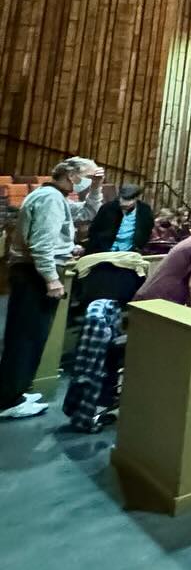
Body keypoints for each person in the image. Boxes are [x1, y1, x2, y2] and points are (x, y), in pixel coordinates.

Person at [0, 157, 105, 420]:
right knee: (26, 339)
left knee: (30, 337)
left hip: (34, 273)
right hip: (33, 275)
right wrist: (51, 278)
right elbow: (41, 244)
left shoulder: (55, 197)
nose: (89, 182)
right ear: (72, 176)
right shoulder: (49, 199)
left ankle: (16, 390)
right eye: (89, 177)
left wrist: (96, 188)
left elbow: (87, 213)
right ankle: (9, 400)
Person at [85, 184, 155, 255]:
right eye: (123, 198)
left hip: (130, 252)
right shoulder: (107, 208)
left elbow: (147, 230)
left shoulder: (145, 210)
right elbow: (94, 229)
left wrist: (138, 246)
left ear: (136, 198)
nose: (125, 203)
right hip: (105, 252)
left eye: (129, 199)